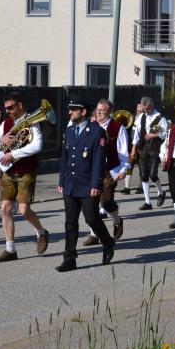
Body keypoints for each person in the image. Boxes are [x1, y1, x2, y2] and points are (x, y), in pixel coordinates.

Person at [56, 99, 116, 272]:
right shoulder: (69, 131)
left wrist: (96, 183)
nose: (70, 113)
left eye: (73, 110)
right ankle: (69, 258)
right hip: (70, 183)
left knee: (91, 218)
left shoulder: (97, 132)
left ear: (83, 112)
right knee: (70, 221)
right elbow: (65, 158)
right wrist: (61, 181)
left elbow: (98, 161)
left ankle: (108, 241)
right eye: (69, 109)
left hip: (88, 184)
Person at [0, 92, 50, 262]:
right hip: (9, 171)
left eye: (10, 107)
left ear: (20, 105)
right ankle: (10, 249)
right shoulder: (5, 123)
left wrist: (14, 153)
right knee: (5, 208)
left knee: (23, 210)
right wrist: (1, 139)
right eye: (6, 108)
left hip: (26, 171)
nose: (7, 111)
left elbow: (37, 145)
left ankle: (41, 232)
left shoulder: (32, 122)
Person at [82, 99, 128, 246]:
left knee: (106, 202)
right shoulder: (90, 126)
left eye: (103, 110)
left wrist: (123, 169)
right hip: (91, 170)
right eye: (98, 109)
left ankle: (117, 220)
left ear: (109, 112)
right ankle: (94, 234)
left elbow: (123, 151)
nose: (99, 112)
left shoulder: (117, 127)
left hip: (110, 170)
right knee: (91, 204)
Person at [130, 97, 168, 210]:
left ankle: (161, 192)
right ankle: (147, 202)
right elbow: (136, 133)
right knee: (143, 175)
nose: (145, 110)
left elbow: (165, 132)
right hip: (143, 148)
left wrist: (153, 134)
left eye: (147, 108)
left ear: (152, 106)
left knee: (153, 174)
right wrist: (133, 149)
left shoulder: (159, 117)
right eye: (144, 108)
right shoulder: (141, 117)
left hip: (155, 148)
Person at [120, 103, 144, 195]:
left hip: (142, 145)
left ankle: (140, 186)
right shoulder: (132, 117)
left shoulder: (147, 120)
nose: (139, 113)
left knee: (142, 166)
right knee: (129, 165)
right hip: (131, 144)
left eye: (141, 111)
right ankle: (127, 187)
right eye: (138, 111)